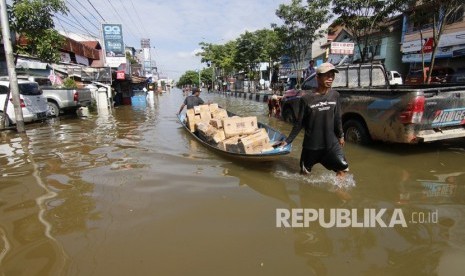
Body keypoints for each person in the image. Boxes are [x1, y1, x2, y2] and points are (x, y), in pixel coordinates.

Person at [279, 62, 349, 178]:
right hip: (311, 146)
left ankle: (339, 193)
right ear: (317, 77)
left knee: (343, 169)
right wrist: (288, 140)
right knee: (304, 175)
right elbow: (299, 123)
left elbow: (337, 117)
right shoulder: (306, 98)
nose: (330, 78)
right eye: (326, 75)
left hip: (330, 143)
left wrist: (341, 135)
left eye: (332, 75)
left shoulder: (335, 95)